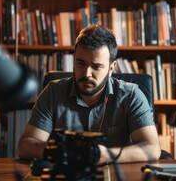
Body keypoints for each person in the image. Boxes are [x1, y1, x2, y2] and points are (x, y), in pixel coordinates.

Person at [17, 24, 161, 164]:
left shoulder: (131, 95)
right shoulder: (53, 92)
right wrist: (59, 151)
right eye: (80, 63)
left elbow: (152, 149)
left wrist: (106, 155)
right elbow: (25, 146)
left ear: (112, 68)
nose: (86, 73)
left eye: (96, 66)